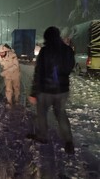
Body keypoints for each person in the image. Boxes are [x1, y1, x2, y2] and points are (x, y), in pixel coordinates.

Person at [27, 26, 75, 154]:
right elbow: (69, 68)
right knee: (61, 115)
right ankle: (69, 141)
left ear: (46, 37)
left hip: (45, 90)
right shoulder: (68, 50)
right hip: (62, 90)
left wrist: (33, 92)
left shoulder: (44, 51)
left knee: (42, 114)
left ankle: (43, 136)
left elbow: (38, 73)